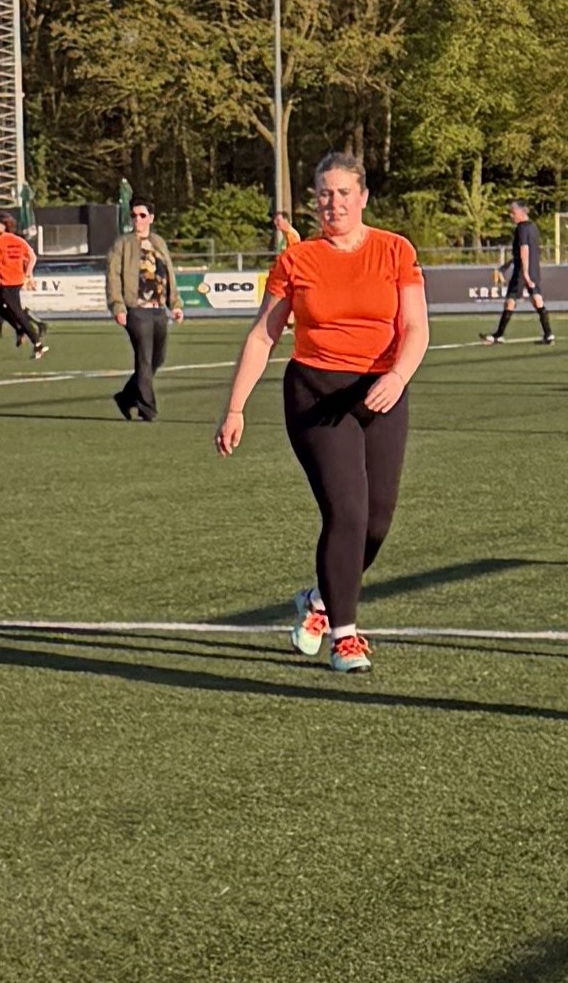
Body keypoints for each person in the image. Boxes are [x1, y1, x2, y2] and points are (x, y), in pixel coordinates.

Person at [215, 153, 427, 675]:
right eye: (324, 194)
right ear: (316, 200)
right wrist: (236, 406)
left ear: (363, 197)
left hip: (381, 392)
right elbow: (265, 334)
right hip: (314, 392)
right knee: (347, 512)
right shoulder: (297, 261)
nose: (333, 203)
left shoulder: (394, 250)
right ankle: (346, 637)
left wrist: (396, 377)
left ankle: (319, 601)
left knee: (376, 523)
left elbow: (417, 328)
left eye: (343, 193)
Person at [107, 202, 180, 420]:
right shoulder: (123, 244)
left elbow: (169, 274)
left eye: (142, 215)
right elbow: (113, 276)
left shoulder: (158, 243)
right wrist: (118, 306)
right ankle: (148, 408)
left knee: (158, 358)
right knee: (144, 359)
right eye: (134, 215)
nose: (137, 219)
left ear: (151, 218)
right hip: (136, 310)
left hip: (158, 310)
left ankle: (126, 397)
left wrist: (175, 304)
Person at [491, 202, 555, 342]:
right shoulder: (533, 227)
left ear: (521, 212)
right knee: (536, 298)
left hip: (522, 271)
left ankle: (499, 335)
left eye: (513, 213)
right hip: (534, 269)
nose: (511, 215)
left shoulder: (521, 228)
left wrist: (524, 272)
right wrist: (505, 267)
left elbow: (524, 250)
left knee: (511, 300)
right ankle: (548, 333)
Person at [0, 219, 48, 357]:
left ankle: (37, 343)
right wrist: (28, 273)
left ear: (4, 226)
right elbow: (32, 256)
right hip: (17, 280)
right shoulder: (19, 240)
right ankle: (20, 330)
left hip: (8, 282)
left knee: (17, 313)